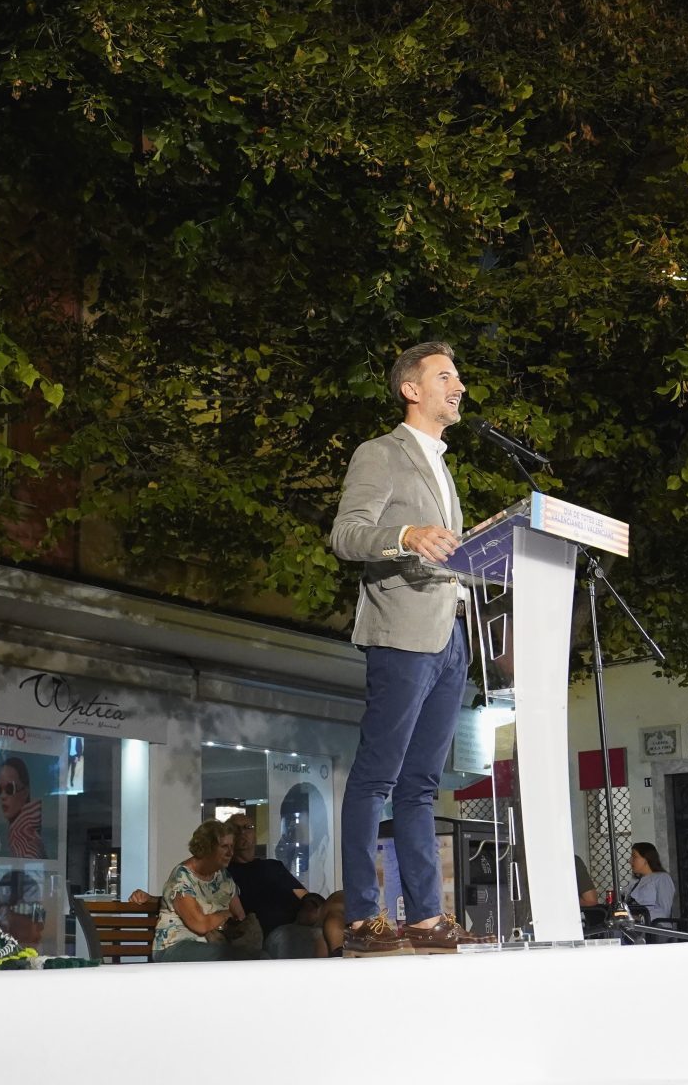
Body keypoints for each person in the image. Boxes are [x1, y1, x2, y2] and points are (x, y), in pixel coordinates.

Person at [330, 340, 482, 957]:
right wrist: (406, 535)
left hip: (450, 634)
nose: (459, 386)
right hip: (401, 631)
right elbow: (346, 535)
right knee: (377, 777)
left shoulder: (442, 466)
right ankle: (363, 916)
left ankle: (424, 917)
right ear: (410, 389)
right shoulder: (381, 454)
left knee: (421, 785)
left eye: (458, 377)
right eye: (445, 376)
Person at [148, 820, 250, 962]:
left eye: (232, 846)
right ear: (208, 848)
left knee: (259, 957)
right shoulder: (182, 877)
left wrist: (222, 922)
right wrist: (226, 914)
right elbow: (200, 925)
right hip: (175, 947)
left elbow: (240, 917)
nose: (230, 853)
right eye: (224, 847)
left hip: (214, 946)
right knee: (228, 957)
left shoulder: (223, 876)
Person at [223, 812, 308, 938]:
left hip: (299, 926)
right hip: (269, 934)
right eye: (235, 828)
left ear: (255, 835)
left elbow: (305, 897)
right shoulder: (224, 875)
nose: (242, 832)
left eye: (247, 827)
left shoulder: (273, 866)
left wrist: (314, 908)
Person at [0, 756, 46, 859]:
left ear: (25, 792)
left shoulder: (26, 846)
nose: (3, 796)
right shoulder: (21, 836)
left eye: (10, 788)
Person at [624, 843, 677, 926]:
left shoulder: (662, 878)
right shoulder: (635, 882)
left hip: (655, 927)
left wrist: (640, 918)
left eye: (634, 857)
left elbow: (664, 910)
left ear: (646, 859)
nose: (630, 861)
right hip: (634, 926)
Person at [266, 893, 331, 959]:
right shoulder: (278, 933)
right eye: (305, 907)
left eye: (314, 906)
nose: (309, 910)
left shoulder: (325, 935)